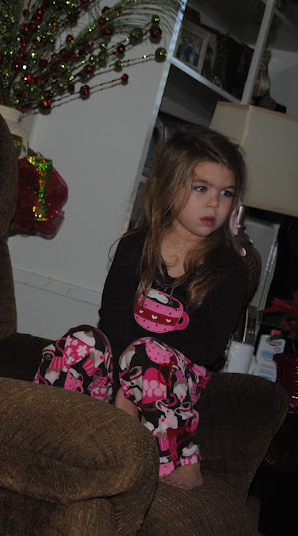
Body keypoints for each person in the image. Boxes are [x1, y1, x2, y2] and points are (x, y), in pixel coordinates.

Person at [34, 123, 248, 490]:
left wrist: (135, 382)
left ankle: (183, 459)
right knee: (82, 341)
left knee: (147, 354)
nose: (214, 203)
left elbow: (208, 347)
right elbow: (113, 319)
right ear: (169, 187)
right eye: (201, 188)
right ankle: (46, 432)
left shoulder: (230, 269)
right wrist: (123, 382)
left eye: (225, 193)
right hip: (119, 369)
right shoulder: (135, 245)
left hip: (174, 381)